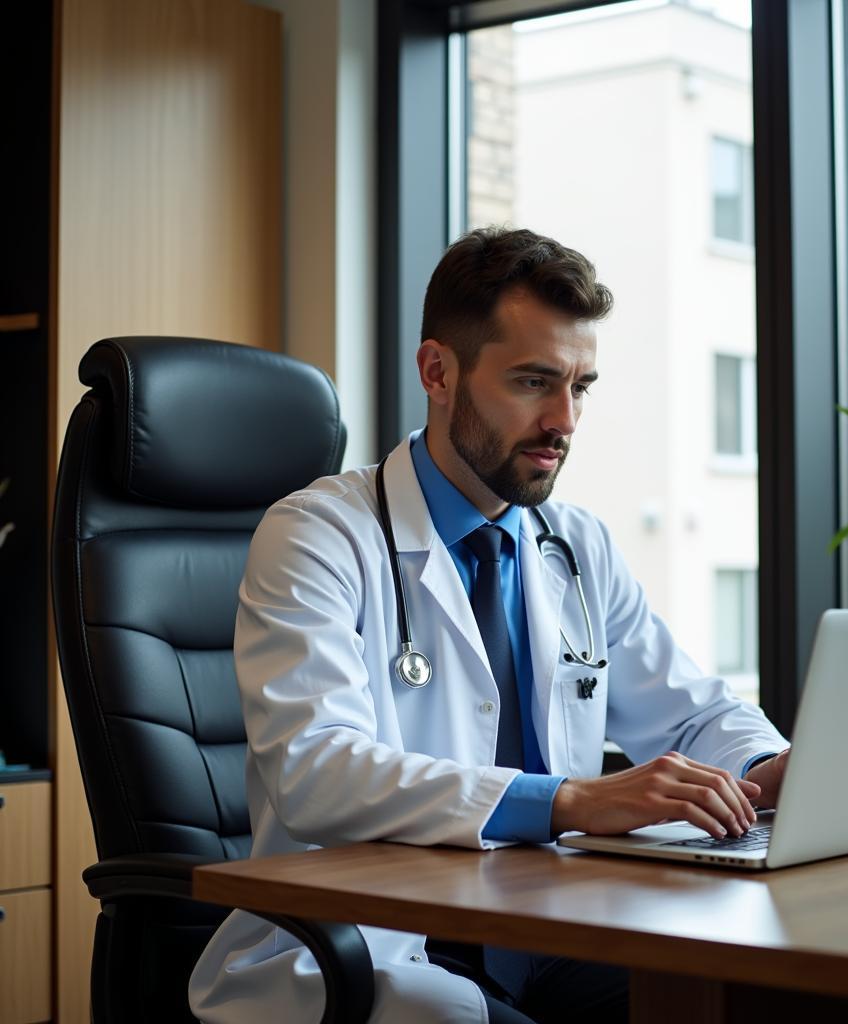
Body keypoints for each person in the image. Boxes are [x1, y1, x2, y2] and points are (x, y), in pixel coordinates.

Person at [190, 227, 789, 1024]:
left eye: (581, 386)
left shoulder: (575, 544)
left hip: (557, 930)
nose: (563, 421)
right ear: (438, 372)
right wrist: (567, 802)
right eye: (534, 382)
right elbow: (315, 770)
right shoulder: (318, 535)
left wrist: (770, 768)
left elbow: (693, 712)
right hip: (380, 945)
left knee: (762, 996)